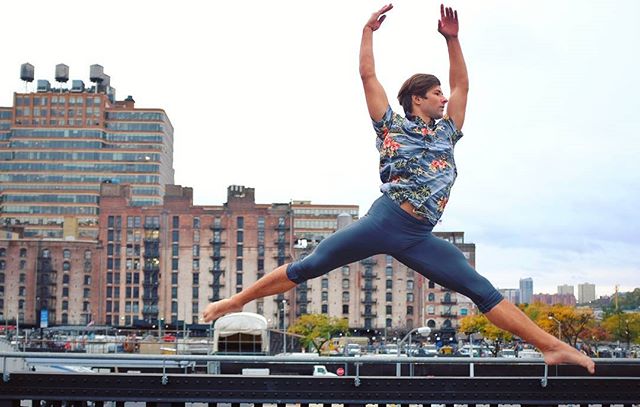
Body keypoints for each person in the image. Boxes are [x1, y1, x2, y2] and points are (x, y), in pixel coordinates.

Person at [203, 3, 595, 374]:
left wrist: (452, 40)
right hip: (385, 220)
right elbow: (368, 77)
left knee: (480, 288)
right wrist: (367, 32)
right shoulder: (390, 126)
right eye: (436, 93)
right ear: (416, 99)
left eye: (443, 93)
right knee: (311, 265)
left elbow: (463, 86)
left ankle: (550, 346)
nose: (444, 97)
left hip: (418, 235)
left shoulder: (447, 132)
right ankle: (236, 301)